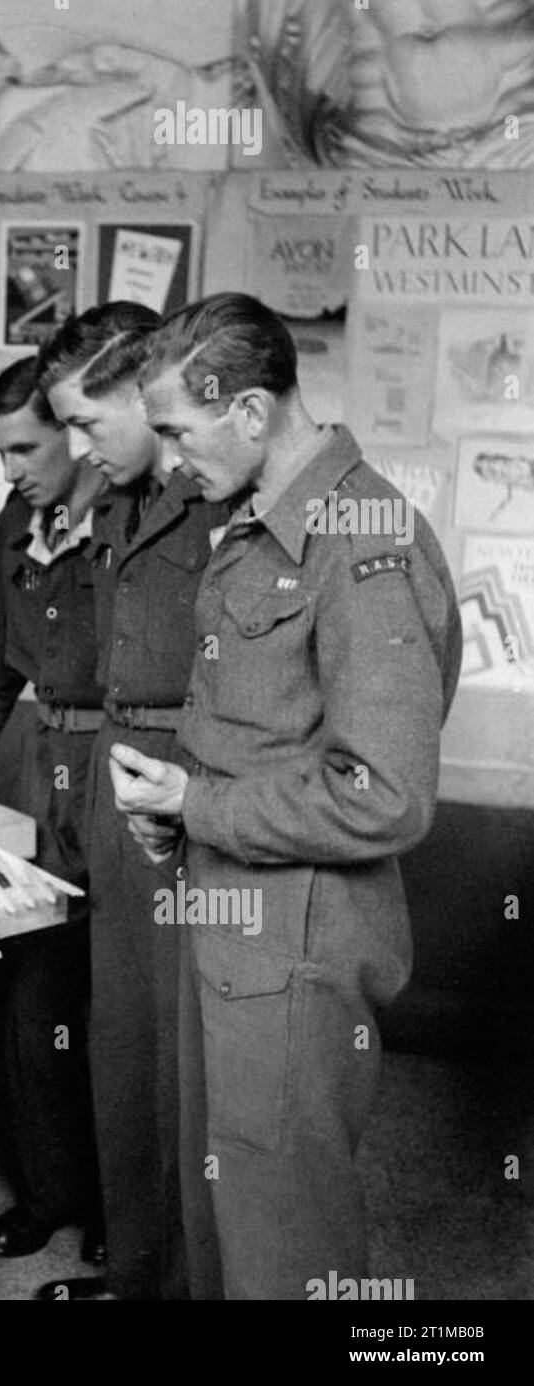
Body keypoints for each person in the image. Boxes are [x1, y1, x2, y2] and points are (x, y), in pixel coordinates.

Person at [110, 292, 463, 1299]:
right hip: (233, 916)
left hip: (296, 939)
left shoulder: (360, 543)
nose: (170, 457)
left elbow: (385, 794)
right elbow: (261, 731)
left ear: (252, 413)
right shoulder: (257, 527)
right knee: (220, 1193)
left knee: (279, 1226)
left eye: (178, 430)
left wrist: (198, 805)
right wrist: (180, 817)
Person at [33, 302, 231, 1301]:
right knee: (120, 1034)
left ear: (145, 401)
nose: (73, 445)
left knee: (180, 1049)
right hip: (116, 766)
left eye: (86, 421)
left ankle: (182, 1274)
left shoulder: (224, 496)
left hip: (185, 775)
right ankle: (138, 1256)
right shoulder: (111, 498)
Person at [0, 356, 107, 1265]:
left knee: (122, 1006)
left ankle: (124, 1207)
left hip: (132, 766)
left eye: (23, 447)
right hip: (42, 769)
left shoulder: (140, 514)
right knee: (33, 991)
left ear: (74, 432)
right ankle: (49, 1193)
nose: (9, 468)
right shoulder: (17, 519)